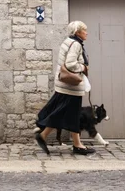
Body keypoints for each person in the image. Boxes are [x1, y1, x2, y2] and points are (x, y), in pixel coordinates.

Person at [34, 20, 95, 155]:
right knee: (67, 114)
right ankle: (45, 136)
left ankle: (75, 144)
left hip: (64, 85)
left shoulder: (68, 41)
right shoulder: (76, 45)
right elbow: (70, 64)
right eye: (84, 30)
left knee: (68, 113)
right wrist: (84, 67)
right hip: (71, 86)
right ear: (78, 32)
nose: (87, 33)